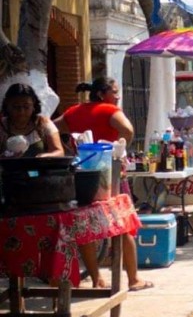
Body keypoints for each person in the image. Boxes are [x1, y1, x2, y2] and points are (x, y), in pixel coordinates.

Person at [53, 77, 153, 292]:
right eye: (114, 92)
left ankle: (97, 278)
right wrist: (119, 148)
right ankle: (134, 279)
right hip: (111, 176)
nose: (117, 96)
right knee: (124, 227)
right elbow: (128, 130)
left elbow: (51, 128)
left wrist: (67, 148)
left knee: (85, 227)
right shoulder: (109, 110)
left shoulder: (73, 111)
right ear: (101, 94)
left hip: (82, 176)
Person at [0, 83, 64, 158]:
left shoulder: (43, 123)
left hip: (38, 168)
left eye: (26, 107)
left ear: (33, 105)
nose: (21, 111)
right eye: (16, 107)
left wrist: (43, 157)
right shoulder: (2, 126)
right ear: (7, 105)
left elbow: (59, 152)